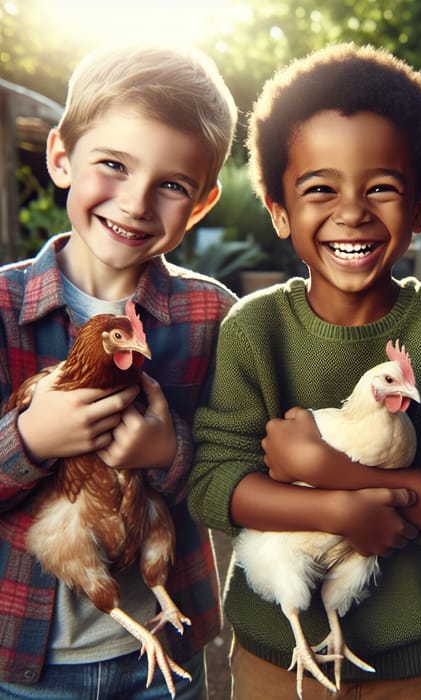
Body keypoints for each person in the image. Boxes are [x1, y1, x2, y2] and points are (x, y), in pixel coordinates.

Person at [188, 42, 421, 700]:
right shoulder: (252, 329)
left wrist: (338, 475)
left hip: (409, 655)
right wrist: (338, 508)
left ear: (419, 208)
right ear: (278, 209)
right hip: (278, 649)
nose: (352, 210)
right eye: (320, 188)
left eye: (381, 187)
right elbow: (215, 481)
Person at [0, 43, 238, 699]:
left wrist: (171, 450)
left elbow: (238, 470)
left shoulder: (210, 315)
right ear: (60, 158)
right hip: (21, 663)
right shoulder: (1, 310)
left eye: (170, 185)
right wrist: (31, 440)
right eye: (112, 165)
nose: (135, 203)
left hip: (162, 658)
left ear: (201, 203)